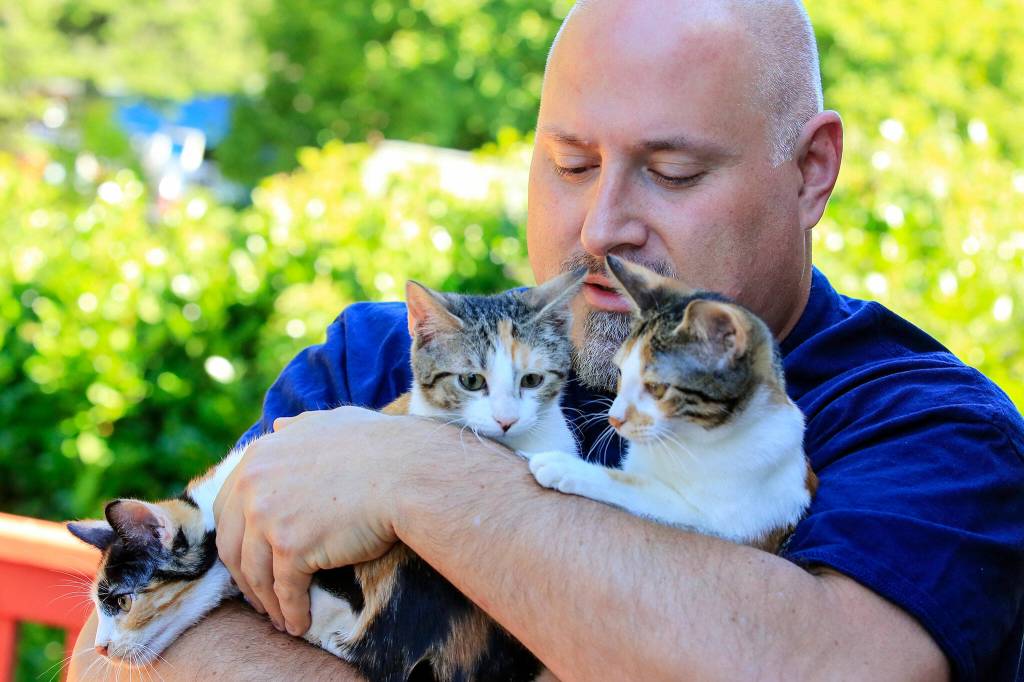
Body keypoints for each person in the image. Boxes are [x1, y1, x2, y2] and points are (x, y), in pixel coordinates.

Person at [71, 0, 1024, 679]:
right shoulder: (375, 358)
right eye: (569, 163)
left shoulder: (930, 433)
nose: (603, 224)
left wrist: (417, 477)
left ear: (812, 170)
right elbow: (121, 648)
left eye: (674, 171)